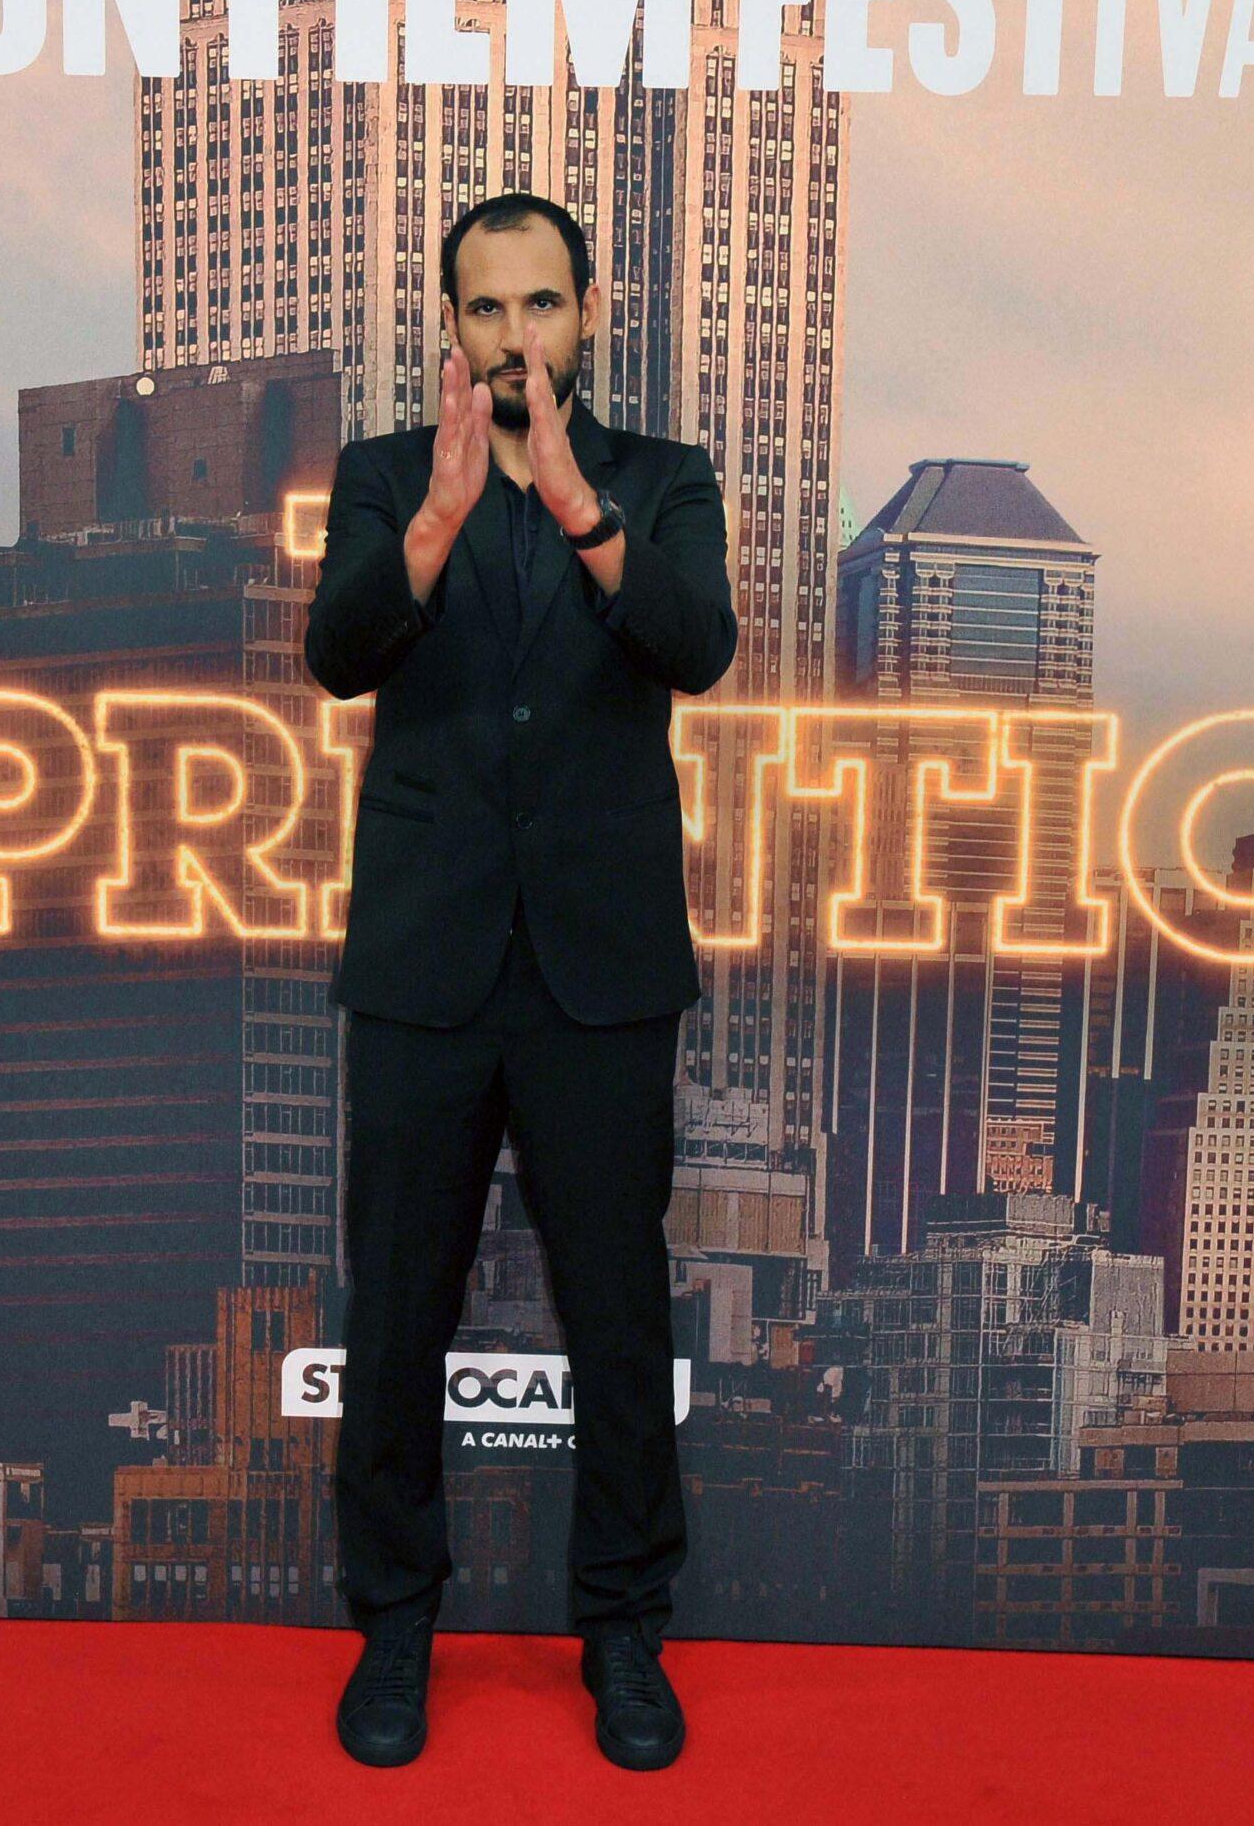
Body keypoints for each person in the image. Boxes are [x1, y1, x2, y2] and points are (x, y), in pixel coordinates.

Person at [302, 190, 738, 1773]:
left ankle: (625, 1633)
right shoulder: (378, 478)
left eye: (540, 307)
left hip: (600, 969)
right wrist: (434, 515)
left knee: (617, 1316)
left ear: (590, 312)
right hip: (426, 961)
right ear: (450, 327)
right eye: (485, 312)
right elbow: (339, 652)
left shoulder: (662, 479)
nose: (514, 339)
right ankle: (395, 1631)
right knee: (400, 1312)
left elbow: (699, 644)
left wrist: (571, 502)